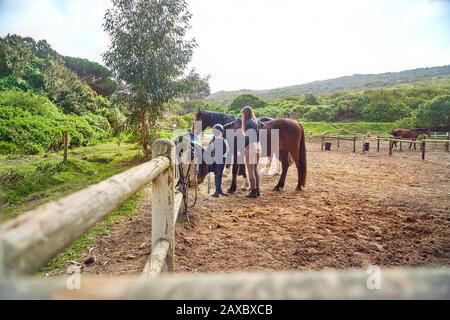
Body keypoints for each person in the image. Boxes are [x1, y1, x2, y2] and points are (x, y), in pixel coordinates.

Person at [241, 106, 262, 198]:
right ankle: (257, 190)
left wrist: (243, 147)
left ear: (245, 114)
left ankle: (253, 191)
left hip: (250, 147)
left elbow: (248, 137)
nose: (242, 116)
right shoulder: (256, 122)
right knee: (255, 170)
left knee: (250, 171)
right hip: (257, 147)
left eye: (243, 114)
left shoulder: (248, 123)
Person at [206, 124, 229, 197]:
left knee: (218, 175)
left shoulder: (221, 140)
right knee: (218, 175)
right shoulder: (216, 139)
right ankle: (219, 190)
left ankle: (217, 191)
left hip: (220, 159)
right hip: (218, 159)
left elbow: (226, 150)